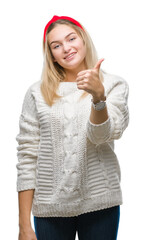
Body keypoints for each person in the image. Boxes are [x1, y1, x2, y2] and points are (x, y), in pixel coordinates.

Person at [16, 15, 129, 240]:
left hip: (100, 204)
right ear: (52, 56)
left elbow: (103, 135)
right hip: (50, 208)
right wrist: (24, 226)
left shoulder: (114, 84)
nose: (66, 48)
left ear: (83, 39)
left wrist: (98, 98)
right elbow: (27, 157)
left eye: (71, 39)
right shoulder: (37, 93)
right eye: (56, 46)